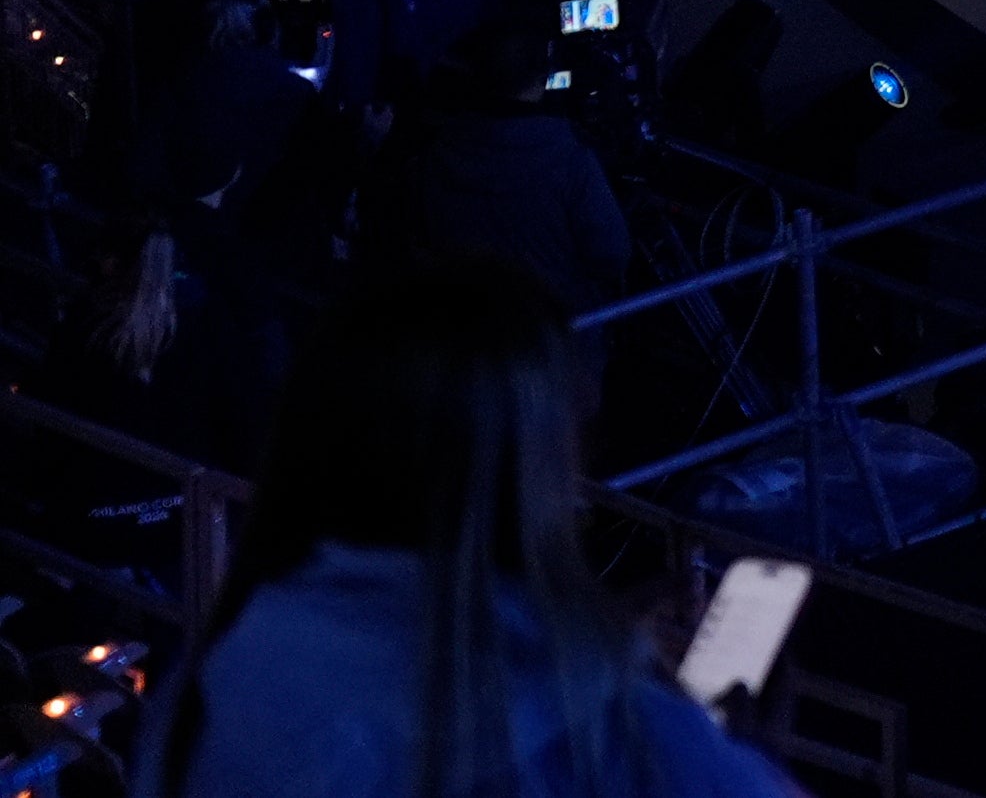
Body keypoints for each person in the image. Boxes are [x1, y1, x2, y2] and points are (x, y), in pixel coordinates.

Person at [145, 257, 799, 797]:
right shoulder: (619, 745)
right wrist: (733, 743)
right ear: (533, 469)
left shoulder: (217, 681)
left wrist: (593, 640)